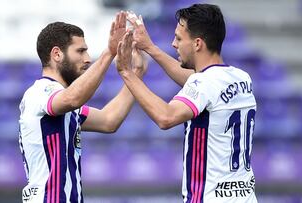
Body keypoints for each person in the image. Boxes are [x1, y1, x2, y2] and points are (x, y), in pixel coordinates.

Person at [118, 4, 257, 202]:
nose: (174, 44)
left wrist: (127, 73)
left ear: (198, 43)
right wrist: (150, 48)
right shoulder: (241, 77)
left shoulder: (204, 84)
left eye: (179, 38)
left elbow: (166, 117)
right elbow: (197, 81)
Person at [18, 12, 147, 203]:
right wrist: (109, 52)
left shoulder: (60, 101)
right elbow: (73, 99)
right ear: (57, 54)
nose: (87, 58)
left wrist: (136, 72)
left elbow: (109, 120)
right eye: (80, 51)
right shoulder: (40, 92)